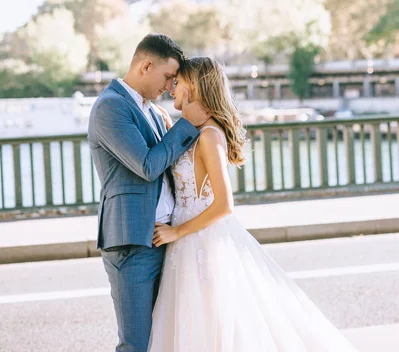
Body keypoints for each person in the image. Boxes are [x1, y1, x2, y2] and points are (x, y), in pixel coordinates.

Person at [148, 56, 358, 352]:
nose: (172, 88)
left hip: (199, 241)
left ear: (194, 86)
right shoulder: (194, 132)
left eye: (178, 82)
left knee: (210, 324)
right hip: (185, 243)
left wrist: (176, 232)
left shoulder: (209, 136)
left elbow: (224, 205)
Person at [88, 34, 210, 352]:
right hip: (132, 242)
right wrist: (188, 124)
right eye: (168, 77)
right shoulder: (110, 107)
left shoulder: (154, 112)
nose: (170, 87)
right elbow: (146, 165)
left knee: (165, 338)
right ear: (146, 66)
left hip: (164, 238)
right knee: (137, 344)